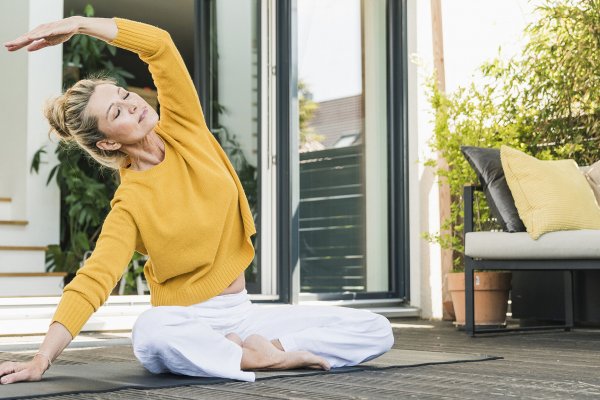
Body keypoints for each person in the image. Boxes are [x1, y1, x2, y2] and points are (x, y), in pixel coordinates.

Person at [0, 16, 394, 385]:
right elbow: (93, 280)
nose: (134, 103)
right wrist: (42, 359)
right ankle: (251, 357)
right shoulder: (130, 203)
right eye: (117, 110)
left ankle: (268, 352)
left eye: (124, 94)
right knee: (150, 333)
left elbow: (160, 47)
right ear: (107, 141)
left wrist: (79, 24)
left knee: (375, 328)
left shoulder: (185, 129)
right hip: (187, 320)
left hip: (244, 313)